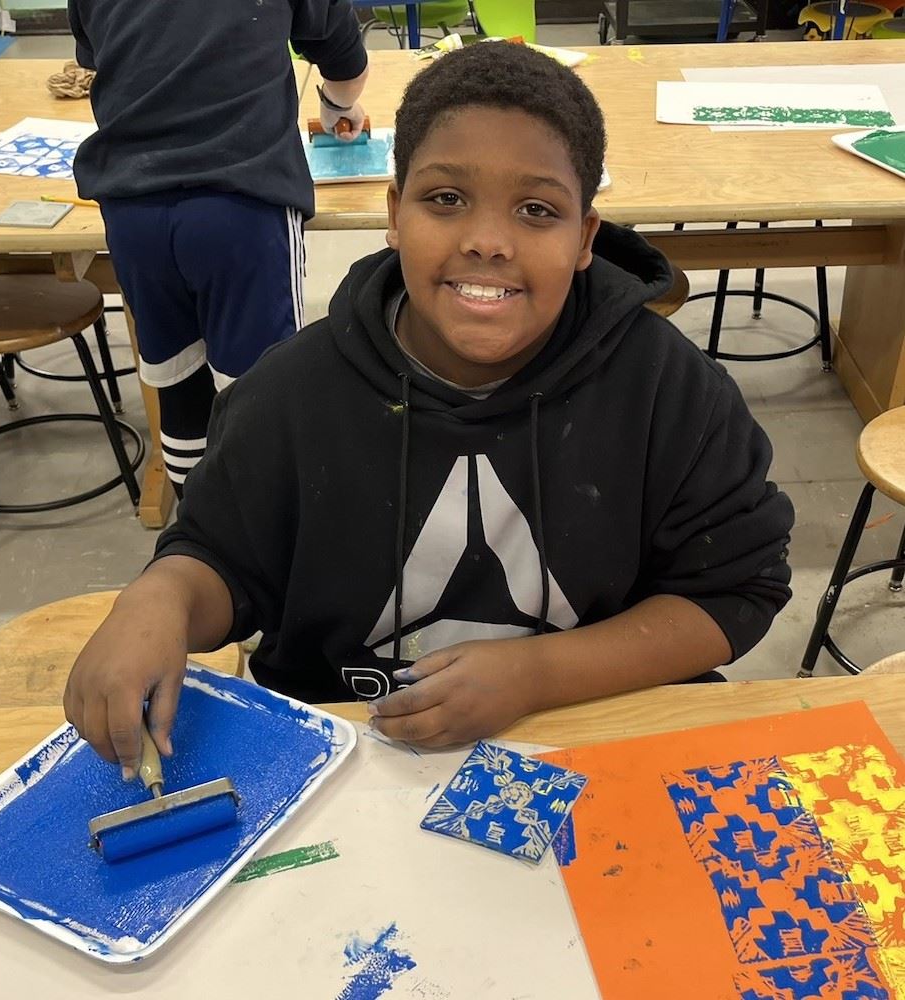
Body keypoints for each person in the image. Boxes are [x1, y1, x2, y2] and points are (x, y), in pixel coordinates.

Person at [64, 42, 794, 771]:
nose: (486, 242)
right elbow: (223, 563)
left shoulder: (665, 388)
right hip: (349, 754)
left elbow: (734, 590)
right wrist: (160, 598)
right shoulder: (290, 395)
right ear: (393, 212)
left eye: (537, 211)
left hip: (595, 739)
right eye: (445, 200)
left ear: (584, 239)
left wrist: (540, 674)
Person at [68, 0, 369, 492]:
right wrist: (338, 106)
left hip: (132, 209)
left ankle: (199, 529)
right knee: (263, 391)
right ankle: (262, 537)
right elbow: (345, 61)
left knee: (178, 385)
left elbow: (106, 58)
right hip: (241, 207)